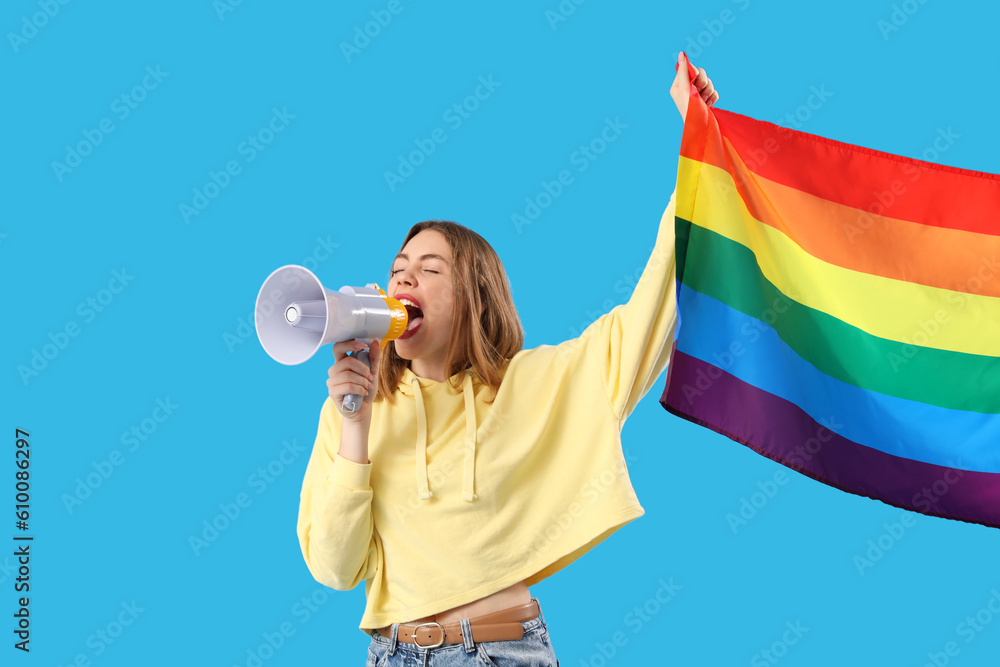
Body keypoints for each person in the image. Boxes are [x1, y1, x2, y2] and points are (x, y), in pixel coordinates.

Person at [296, 52, 718, 666]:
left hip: (504, 653)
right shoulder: (352, 412)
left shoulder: (535, 386)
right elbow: (336, 569)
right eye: (397, 271)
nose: (403, 279)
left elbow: (652, 308)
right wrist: (355, 425)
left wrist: (696, 147)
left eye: (429, 270)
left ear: (473, 294)